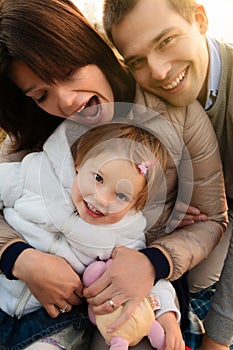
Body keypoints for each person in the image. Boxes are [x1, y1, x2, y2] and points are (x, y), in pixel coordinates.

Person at [0, 0, 228, 349]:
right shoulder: (38, 128)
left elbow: (211, 218)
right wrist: (19, 257)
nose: (65, 101)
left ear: (89, 48)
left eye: (68, 72)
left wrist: (154, 262)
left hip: (138, 283)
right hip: (33, 295)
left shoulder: (178, 117)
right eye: (42, 94)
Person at [102, 0, 233, 348]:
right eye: (138, 61)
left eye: (166, 41)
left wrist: (217, 340)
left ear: (201, 20)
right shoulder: (136, 97)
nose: (159, 71)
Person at [0, 120, 186, 349]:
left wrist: (165, 312)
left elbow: (142, 278)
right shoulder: (36, 175)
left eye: (122, 196)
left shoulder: (124, 232)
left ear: (136, 206)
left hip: (54, 319)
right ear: (80, 162)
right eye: (98, 178)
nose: (101, 199)